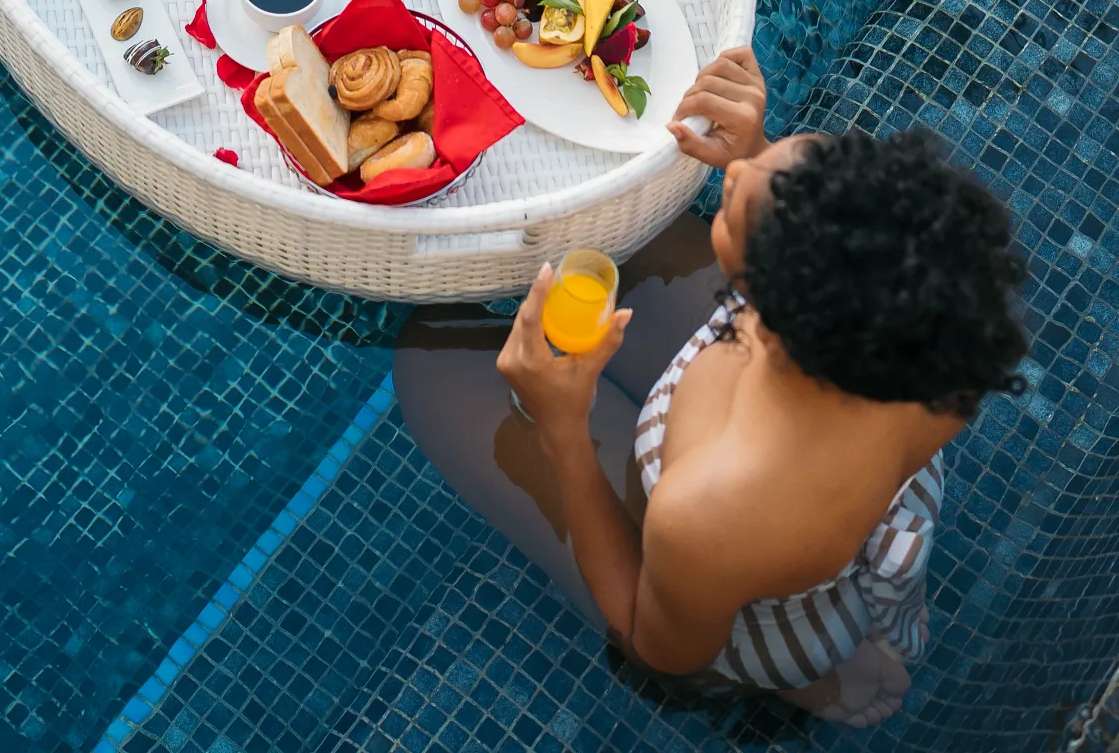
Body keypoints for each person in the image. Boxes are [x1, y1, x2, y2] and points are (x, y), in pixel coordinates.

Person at [398, 49, 1028, 728]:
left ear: (770, 309)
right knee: (602, 225)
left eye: (737, 202)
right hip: (826, 508)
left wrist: (564, 429)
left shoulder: (712, 512)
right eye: (795, 158)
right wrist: (760, 163)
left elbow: (652, 640)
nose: (745, 167)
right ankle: (859, 626)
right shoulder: (935, 343)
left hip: (745, 612)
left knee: (429, 354)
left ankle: (803, 676)